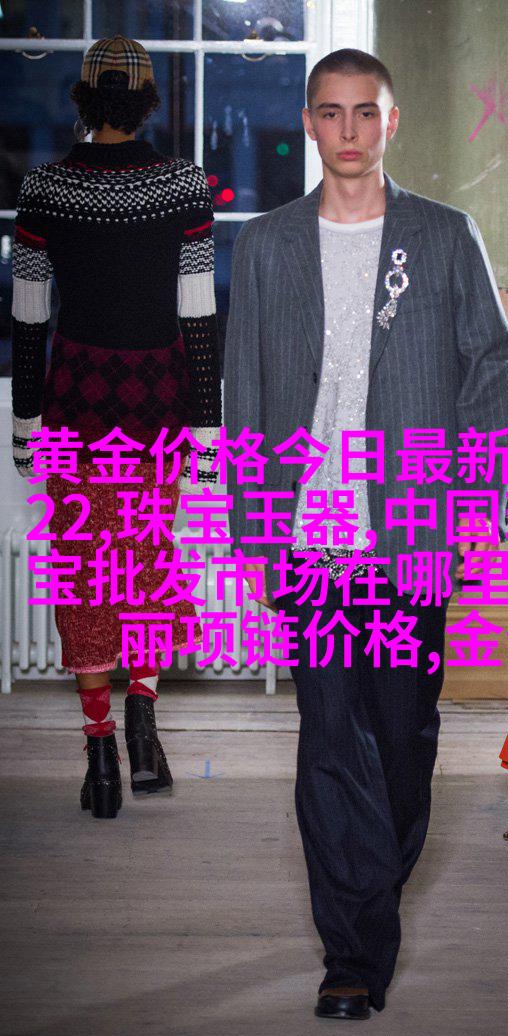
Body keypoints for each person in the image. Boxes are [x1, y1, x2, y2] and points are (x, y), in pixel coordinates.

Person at [224, 48, 508, 1018]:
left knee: (401, 736)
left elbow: (487, 366)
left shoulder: (443, 235)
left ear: (391, 122)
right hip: (309, 537)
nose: (347, 130)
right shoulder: (267, 245)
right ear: (308, 122)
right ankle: (350, 953)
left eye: (364, 112)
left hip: (412, 530)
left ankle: (370, 894)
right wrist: (255, 530)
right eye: (330, 112)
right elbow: (245, 387)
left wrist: (474, 507)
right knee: (327, 738)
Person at [10, 37, 221, 817]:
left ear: (83, 97)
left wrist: (24, 426)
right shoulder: (183, 186)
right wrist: (207, 430)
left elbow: (28, 319)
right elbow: (198, 317)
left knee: (85, 574)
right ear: (147, 103)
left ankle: (100, 752)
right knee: (147, 565)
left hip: (75, 406)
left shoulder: (45, 189)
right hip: (156, 406)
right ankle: (143, 721)